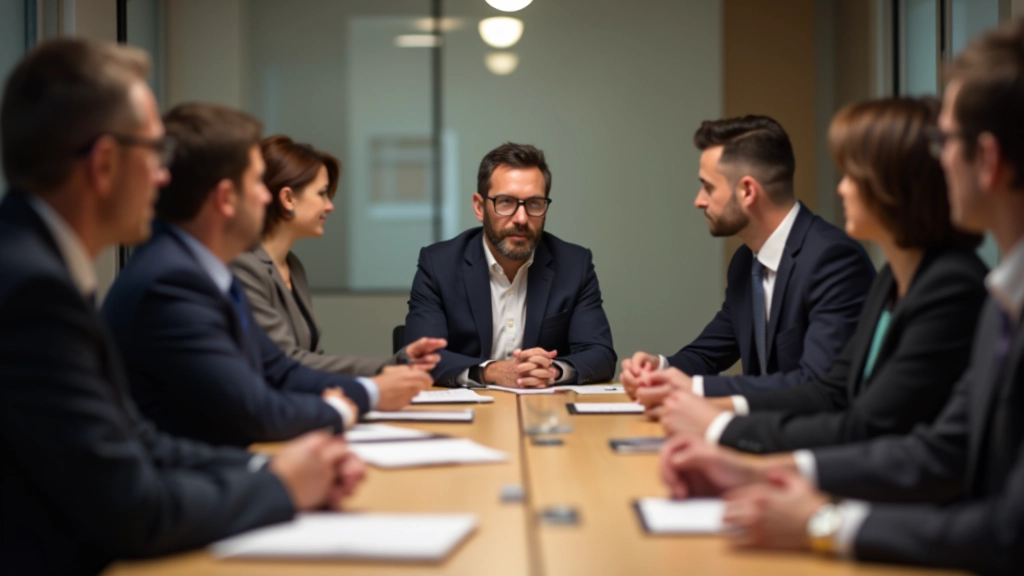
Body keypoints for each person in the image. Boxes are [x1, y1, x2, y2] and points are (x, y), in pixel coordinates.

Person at [658, 18, 1024, 575]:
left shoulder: (953, 286)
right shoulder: (938, 285)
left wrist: (819, 521)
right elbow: (930, 445)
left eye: (946, 142)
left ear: (989, 159)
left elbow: (1001, 526)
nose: (840, 188)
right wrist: (759, 471)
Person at [0, 38, 364, 576]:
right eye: (154, 152)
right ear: (104, 163)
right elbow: (131, 508)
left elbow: (136, 441)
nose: (164, 176)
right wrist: (282, 486)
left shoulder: (37, 264)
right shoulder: (33, 291)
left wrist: (268, 468)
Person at [642, 98, 987, 454]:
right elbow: (833, 391)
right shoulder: (890, 279)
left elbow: (858, 418)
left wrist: (717, 424)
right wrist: (668, 374)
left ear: (897, 185)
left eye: (853, 175)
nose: (841, 188)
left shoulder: (933, 281)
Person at [102, 103, 432, 446]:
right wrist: (357, 401)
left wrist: (371, 390)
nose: (265, 197)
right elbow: (253, 410)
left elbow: (279, 369)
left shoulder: (206, 270)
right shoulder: (173, 281)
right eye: (256, 183)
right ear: (226, 198)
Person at [621, 116, 875, 400]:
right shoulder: (746, 263)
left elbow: (819, 384)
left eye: (708, 187)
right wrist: (659, 369)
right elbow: (707, 355)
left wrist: (694, 389)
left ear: (747, 191)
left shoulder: (833, 260)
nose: (699, 200)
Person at [404, 142, 616, 388]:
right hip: (470, 406)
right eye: (505, 202)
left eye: (534, 203)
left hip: (543, 407)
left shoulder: (574, 265)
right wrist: (490, 371)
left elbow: (601, 354)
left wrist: (553, 371)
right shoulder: (439, 264)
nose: (521, 218)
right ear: (479, 207)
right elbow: (419, 357)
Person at [230, 135, 446, 375]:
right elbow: (286, 362)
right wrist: (391, 366)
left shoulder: (293, 266)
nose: (329, 206)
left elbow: (313, 358)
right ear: (288, 198)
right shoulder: (244, 267)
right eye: (322, 193)